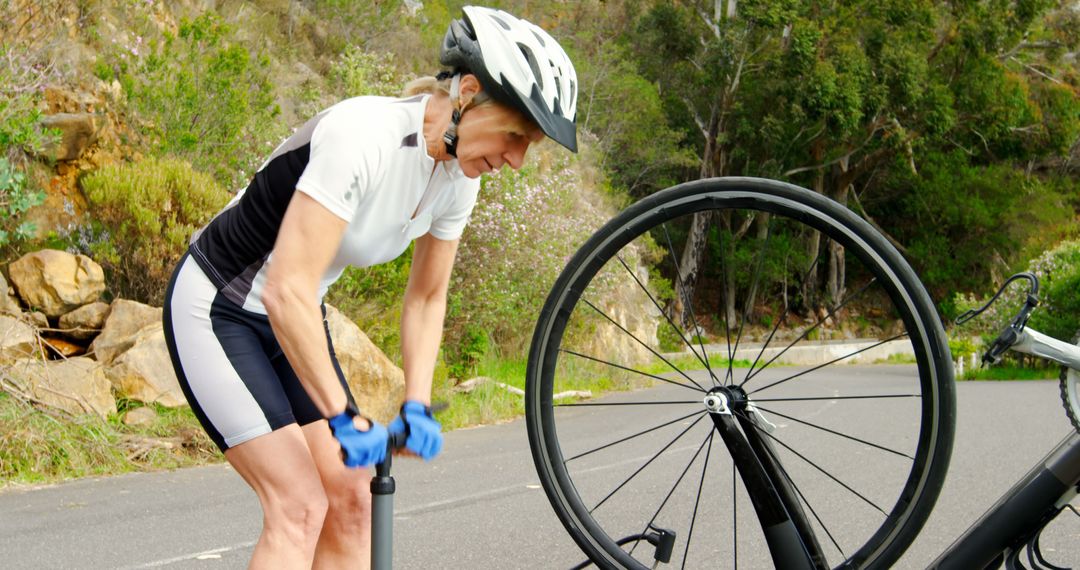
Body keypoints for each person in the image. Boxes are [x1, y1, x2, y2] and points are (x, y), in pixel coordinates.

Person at [161, 5, 578, 569]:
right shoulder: (363, 136)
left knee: (353, 501)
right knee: (299, 506)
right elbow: (286, 286)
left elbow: (427, 298)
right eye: (515, 134)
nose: (518, 160)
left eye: (530, 145)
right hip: (218, 307)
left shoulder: (458, 179)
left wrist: (418, 403)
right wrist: (340, 415)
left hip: (294, 317)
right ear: (469, 92)